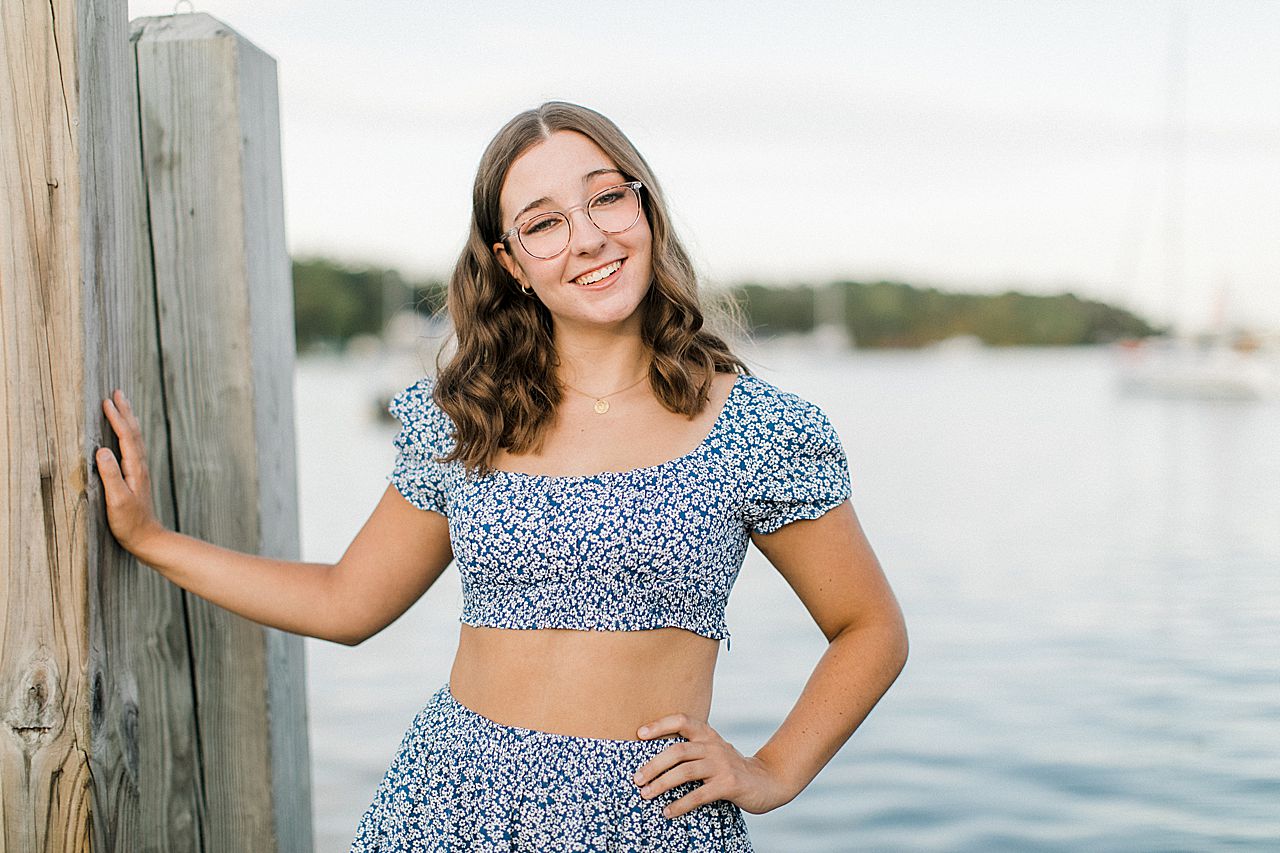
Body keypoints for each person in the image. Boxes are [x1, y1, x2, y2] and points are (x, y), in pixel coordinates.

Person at [95, 101, 909, 852]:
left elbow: (870, 627)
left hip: (645, 821)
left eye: (606, 199)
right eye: (544, 223)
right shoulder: (467, 417)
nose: (587, 238)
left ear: (645, 209)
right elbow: (347, 603)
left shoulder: (761, 429)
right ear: (511, 260)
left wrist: (771, 771)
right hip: (450, 803)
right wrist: (152, 539)